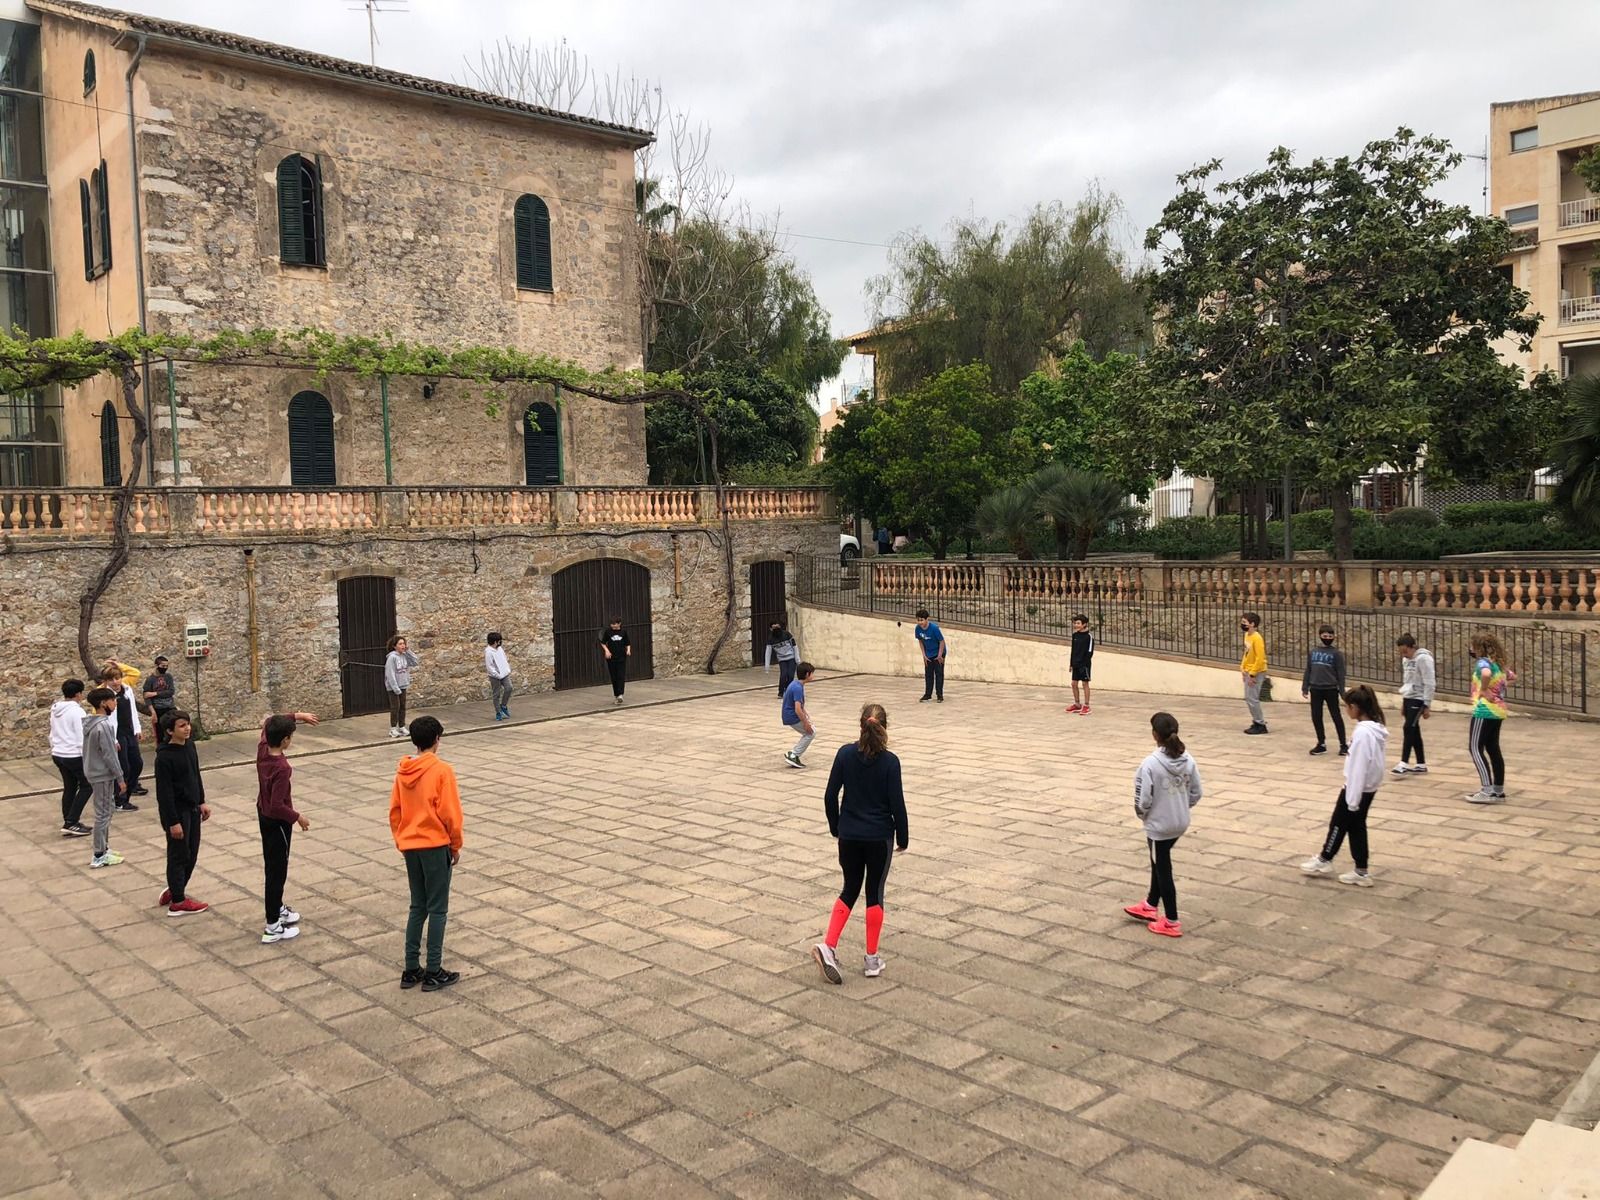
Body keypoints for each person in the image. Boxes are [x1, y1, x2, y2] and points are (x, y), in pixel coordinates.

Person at [812, 703, 909, 984]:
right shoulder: (891, 762)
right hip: (878, 837)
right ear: (885, 728)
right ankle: (871, 959)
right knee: (874, 892)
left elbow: (830, 796)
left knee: (849, 888)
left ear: (860, 726)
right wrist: (902, 837)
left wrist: (836, 827)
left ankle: (829, 946)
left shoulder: (844, 754)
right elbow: (897, 805)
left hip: (849, 835)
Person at [390, 716, 462, 992]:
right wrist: (455, 845)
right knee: (438, 908)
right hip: (434, 844)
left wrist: (402, 839)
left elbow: (395, 811)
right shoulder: (441, 771)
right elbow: (450, 814)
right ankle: (434, 968)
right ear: (437, 740)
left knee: (417, 906)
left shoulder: (402, 771)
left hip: (410, 845)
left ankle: (411, 968)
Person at [1123, 712, 1202, 938]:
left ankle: (1171, 920)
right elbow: (1197, 792)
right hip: (1180, 821)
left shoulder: (1149, 764)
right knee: (1158, 860)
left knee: (1163, 868)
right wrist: (1180, 807)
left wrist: (1145, 815)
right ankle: (1150, 903)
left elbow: (1143, 799)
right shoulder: (1188, 759)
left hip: (1160, 825)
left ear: (1154, 735)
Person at [1301, 685, 1388, 886]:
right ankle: (1361, 870)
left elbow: (1359, 766)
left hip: (1356, 789)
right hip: (1366, 788)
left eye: (1347, 707)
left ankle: (1325, 859)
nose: (1346, 710)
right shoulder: (1374, 729)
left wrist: (1352, 799)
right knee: (1357, 827)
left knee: (1338, 824)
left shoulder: (1363, 734)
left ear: (1356, 707)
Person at [258, 710, 319, 944]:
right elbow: (277, 806)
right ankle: (273, 925)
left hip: (262, 814)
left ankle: (278, 906)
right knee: (277, 871)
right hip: (276, 823)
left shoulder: (263, 750)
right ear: (285, 740)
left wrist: (297, 716)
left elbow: (268, 723)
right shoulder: (282, 768)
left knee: (273, 867)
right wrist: (298, 817)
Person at [154, 711, 211, 916]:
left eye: (187, 724)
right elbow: (164, 793)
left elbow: (195, 775)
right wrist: (173, 822)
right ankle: (178, 901)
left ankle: (176, 888)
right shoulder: (164, 757)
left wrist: (202, 801)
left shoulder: (190, 746)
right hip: (177, 813)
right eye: (181, 726)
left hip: (193, 808)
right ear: (170, 731)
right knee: (178, 854)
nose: (187, 728)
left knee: (192, 853)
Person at [1465, 631, 1516, 805]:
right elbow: (1512, 677)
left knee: (1475, 747)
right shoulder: (1499, 664)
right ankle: (1498, 790)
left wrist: (1485, 689)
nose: (1470, 649)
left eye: (1472, 646)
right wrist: (1498, 688)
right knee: (1493, 748)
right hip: (1498, 710)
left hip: (1484, 711)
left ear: (1479, 647)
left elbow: (1485, 674)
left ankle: (1486, 790)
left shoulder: (1483, 663)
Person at [81, 686, 126, 869]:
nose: (115, 703)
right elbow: (109, 755)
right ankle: (99, 854)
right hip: (102, 774)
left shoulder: (92, 723)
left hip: (94, 771)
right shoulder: (104, 725)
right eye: (112, 700)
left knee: (105, 811)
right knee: (103, 814)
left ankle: (104, 848)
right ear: (103, 703)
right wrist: (120, 777)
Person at [50, 679, 93, 837]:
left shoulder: (55, 709)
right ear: (78, 694)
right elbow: (81, 735)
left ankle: (69, 821)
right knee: (88, 786)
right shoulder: (77, 712)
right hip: (73, 754)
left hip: (58, 753)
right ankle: (71, 821)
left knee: (70, 787)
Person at [100, 665, 146, 805]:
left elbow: (132, 710)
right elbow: (105, 719)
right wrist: (112, 739)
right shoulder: (104, 695)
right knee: (123, 767)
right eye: (111, 679)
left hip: (129, 731)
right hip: (117, 734)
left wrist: (137, 728)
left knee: (137, 764)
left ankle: (127, 794)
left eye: (117, 678)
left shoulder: (127, 690)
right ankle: (119, 799)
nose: (115, 682)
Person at [1301, 624, 1348, 756]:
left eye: (1330, 636)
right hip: (1315, 688)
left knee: (1336, 716)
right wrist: (1305, 687)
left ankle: (1343, 744)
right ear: (1320, 636)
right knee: (1316, 716)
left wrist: (1342, 690)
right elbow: (1308, 670)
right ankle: (1321, 743)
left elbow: (1341, 673)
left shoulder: (1336, 654)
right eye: (1325, 636)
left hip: (1331, 688)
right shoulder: (1313, 652)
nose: (1327, 638)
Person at [1393, 634, 1435, 776]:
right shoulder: (1406, 660)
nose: (1404, 655)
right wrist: (1404, 701)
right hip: (1409, 696)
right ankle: (1421, 763)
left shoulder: (1424, 659)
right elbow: (1407, 680)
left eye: (1406, 651)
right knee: (1414, 730)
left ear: (1412, 647)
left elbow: (1429, 681)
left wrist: (1427, 704)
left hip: (1419, 698)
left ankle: (1403, 762)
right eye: (1401, 652)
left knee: (1408, 728)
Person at [384, 634, 419, 739]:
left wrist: (408, 651)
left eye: (404, 643)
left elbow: (415, 662)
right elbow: (390, 673)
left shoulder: (404, 656)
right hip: (394, 687)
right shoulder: (392, 658)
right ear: (395, 646)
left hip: (403, 685)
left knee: (402, 707)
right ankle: (393, 728)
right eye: (400, 644)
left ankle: (402, 726)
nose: (403, 645)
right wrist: (395, 687)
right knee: (395, 707)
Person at [782, 662, 817, 768]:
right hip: (791, 716)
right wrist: (806, 723)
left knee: (811, 731)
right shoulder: (797, 688)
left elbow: (799, 705)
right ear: (807, 674)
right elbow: (797, 709)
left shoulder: (796, 684)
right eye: (812, 674)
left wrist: (805, 713)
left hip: (790, 714)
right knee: (811, 732)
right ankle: (793, 754)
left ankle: (794, 754)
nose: (813, 676)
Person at [1239, 612, 1268, 735]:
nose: (1242, 624)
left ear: (1252, 624)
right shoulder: (1247, 635)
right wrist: (1243, 668)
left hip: (1256, 672)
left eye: (1245, 623)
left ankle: (1260, 723)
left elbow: (1260, 658)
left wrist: (1252, 674)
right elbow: (1247, 653)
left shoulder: (1257, 638)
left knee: (1252, 698)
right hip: (1248, 670)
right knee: (1248, 698)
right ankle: (1256, 721)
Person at [143, 655, 177, 745]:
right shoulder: (150, 680)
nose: (165, 668)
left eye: (166, 666)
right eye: (163, 666)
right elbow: (146, 696)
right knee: (159, 733)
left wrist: (155, 693)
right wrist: (152, 712)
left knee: (173, 729)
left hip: (170, 707)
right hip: (158, 708)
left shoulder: (168, 677)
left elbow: (171, 691)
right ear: (156, 665)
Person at [913, 609, 946, 703]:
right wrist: (924, 655)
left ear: (927, 619)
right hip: (928, 653)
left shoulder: (934, 628)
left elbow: (942, 641)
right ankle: (928, 695)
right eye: (918, 620)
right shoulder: (917, 629)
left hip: (939, 652)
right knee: (928, 674)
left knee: (939, 674)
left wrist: (940, 656)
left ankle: (940, 695)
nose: (920, 622)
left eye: (922, 620)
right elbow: (920, 641)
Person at [1066, 614, 1094, 715]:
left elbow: (1090, 652)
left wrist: (1084, 664)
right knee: (1074, 684)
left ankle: (1086, 706)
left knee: (1085, 684)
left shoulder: (1088, 637)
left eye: (1078, 623)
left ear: (1084, 624)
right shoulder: (1075, 635)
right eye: (1075, 623)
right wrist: (1071, 664)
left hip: (1084, 665)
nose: (1076, 625)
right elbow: (1073, 650)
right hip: (1075, 664)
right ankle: (1077, 704)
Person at [599, 618, 631, 704]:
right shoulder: (608, 632)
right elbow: (603, 642)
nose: (613, 626)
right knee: (614, 676)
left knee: (620, 675)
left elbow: (627, 643)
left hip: (621, 657)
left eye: (615, 624)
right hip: (611, 657)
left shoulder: (623, 632)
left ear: (619, 624)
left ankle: (620, 694)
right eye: (612, 624)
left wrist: (628, 650)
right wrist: (607, 651)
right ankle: (616, 695)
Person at [765, 621, 799, 697]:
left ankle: (787, 690)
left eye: (777, 627)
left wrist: (797, 659)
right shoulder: (771, 639)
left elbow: (795, 647)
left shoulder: (787, 634)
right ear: (771, 629)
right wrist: (767, 666)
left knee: (790, 675)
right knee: (783, 675)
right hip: (782, 659)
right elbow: (768, 652)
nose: (776, 629)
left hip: (791, 658)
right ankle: (780, 692)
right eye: (774, 628)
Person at [485, 633, 512, 721]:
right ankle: (498, 712)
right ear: (495, 641)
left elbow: (504, 659)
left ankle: (503, 705)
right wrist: (497, 675)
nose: (500, 642)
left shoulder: (500, 649)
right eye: (499, 640)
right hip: (495, 676)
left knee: (509, 688)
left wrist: (507, 669)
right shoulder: (488, 652)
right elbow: (490, 666)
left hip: (504, 673)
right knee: (496, 694)